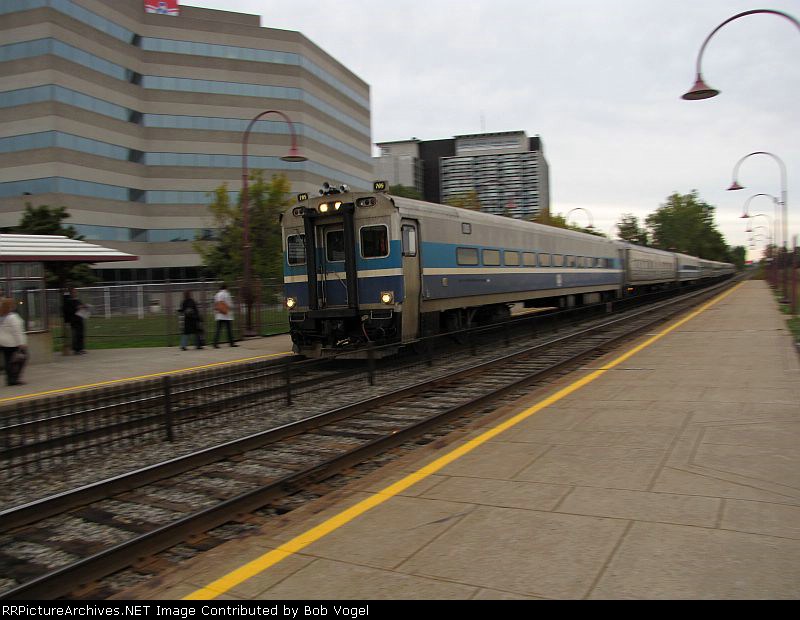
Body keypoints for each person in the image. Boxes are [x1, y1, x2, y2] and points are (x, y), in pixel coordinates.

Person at [0, 297, 28, 386]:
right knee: (22, 358)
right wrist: (21, 343)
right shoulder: (13, 317)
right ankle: (15, 378)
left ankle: (9, 379)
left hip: (3, 343)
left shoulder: (2, 316)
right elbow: (17, 331)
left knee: (8, 360)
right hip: (13, 343)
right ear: (10, 306)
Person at [62, 287, 88, 355]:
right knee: (76, 334)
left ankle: (81, 348)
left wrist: (84, 306)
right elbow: (68, 311)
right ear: (71, 293)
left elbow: (81, 306)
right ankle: (76, 349)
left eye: (76, 292)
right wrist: (76, 308)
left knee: (81, 334)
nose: (75, 293)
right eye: (74, 292)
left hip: (80, 318)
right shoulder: (69, 301)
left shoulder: (77, 300)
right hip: (74, 320)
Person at [212, 283, 237, 348]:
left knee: (218, 329)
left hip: (219, 314)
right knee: (229, 330)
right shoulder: (226, 294)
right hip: (226, 315)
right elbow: (229, 304)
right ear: (226, 288)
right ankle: (231, 343)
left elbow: (216, 304)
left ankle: (215, 343)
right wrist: (232, 307)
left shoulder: (216, 294)